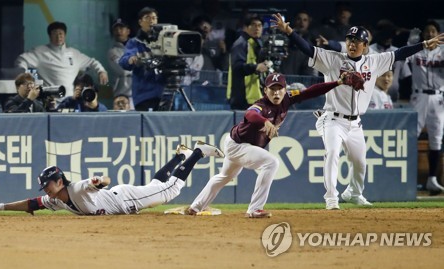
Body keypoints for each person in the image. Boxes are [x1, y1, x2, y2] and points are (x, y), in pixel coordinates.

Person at [271, 13, 444, 209]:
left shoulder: (374, 61)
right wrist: (289, 32)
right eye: (349, 40)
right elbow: (308, 49)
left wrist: (423, 45)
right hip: (333, 119)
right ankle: (331, 198)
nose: (352, 44)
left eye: (357, 41)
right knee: (333, 153)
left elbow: (400, 53)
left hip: (355, 123)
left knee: (360, 163)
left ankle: (354, 193)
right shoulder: (332, 59)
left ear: (365, 45)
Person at [187, 72, 359, 218]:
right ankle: (254, 209)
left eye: (280, 89)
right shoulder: (261, 106)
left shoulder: (287, 100)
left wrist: (338, 82)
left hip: (240, 145)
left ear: (285, 90)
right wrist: (265, 122)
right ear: (265, 90)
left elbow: (311, 92)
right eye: (272, 89)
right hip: (238, 145)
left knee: (223, 177)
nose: (276, 93)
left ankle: (195, 207)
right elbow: (250, 114)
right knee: (272, 162)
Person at [0, 142, 224, 215]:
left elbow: (104, 179)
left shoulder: (77, 188)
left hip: (127, 199)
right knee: (156, 185)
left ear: (59, 181)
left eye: (48, 184)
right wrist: (0, 207)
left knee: (170, 190)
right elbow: (31, 204)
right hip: (122, 200)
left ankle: (197, 153)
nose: (45, 189)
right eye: (45, 186)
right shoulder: (57, 200)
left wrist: (100, 182)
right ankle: (179, 155)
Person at [15, 21, 109, 97]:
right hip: (50, 100)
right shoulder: (40, 52)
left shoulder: (74, 53)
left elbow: (92, 62)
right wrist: (23, 76)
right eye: (55, 34)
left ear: (65, 35)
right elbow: (21, 60)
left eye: (61, 33)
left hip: (70, 100)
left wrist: (101, 71)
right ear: (49, 36)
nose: (58, 36)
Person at [405, 20, 444, 195]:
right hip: (418, 96)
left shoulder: (442, 51)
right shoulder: (417, 50)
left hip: (438, 97)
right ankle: (407, 178)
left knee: (436, 138)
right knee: (411, 136)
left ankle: (432, 179)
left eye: (433, 31)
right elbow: (403, 58)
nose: (430, 34)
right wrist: (410, 43)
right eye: (427, 31)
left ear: (438, 34)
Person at [118, 7, 165, 111]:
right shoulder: (135, 42)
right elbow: (123, 61)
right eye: (147, 18)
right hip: (145, 95)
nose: (151, 21)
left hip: (165, 93)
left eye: (154, 18)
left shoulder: (165, 41)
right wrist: (131, 59)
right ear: (140, 22)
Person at [226, 13, 268, 110]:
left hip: (254, 97)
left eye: (259, 25)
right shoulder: (241, 44)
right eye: (253, 25)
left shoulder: (258, 44)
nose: (257, 28)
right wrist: (255, 67)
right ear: (246, 27)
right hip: (241, 98)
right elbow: (237, 67)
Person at [280, 11, 317, 76]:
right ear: (294, 20)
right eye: (299, 19)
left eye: (305, 20)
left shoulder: (313, 41)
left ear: (309, 22)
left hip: (304, 80)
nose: (301, 22)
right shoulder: (285, 39)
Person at [107, 18, 133, 108]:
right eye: (116, 29)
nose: (118, 31)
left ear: (128, 31)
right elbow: (123, 71)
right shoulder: (112, 52)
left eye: (121, 28)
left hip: (139, 95)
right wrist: (138, 66)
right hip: (121, 96)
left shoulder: (137, 48)